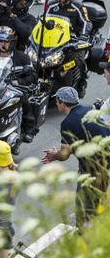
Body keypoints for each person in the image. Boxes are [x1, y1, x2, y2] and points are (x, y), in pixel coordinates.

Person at [42, 87, 110, 230]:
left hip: (93, 171)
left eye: (57, 100)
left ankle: (86, 239)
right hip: (106, 163)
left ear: (62, 103)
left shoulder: (68, 123)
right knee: (100, 203)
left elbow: (64, 155)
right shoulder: (91, 110)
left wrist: (55, 155)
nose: (56, 103)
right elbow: (87, 138)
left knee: (85, 208)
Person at [0, 26, 38, 142]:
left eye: (6, 42)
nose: (3, 44)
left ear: (12, 42)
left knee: (24, 100)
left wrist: (19, 82)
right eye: (0, 41)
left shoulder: (22, 58)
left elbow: (33, 76)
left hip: (14, 89)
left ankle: (29, 129)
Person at [47, 0, 92, 97]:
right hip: (53, 40)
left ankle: (82, 82)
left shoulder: (78, 7)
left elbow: (86, 23)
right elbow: (42, 21)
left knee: (80, 60)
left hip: (72, 41)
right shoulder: (51, 6)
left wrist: (83, 36)